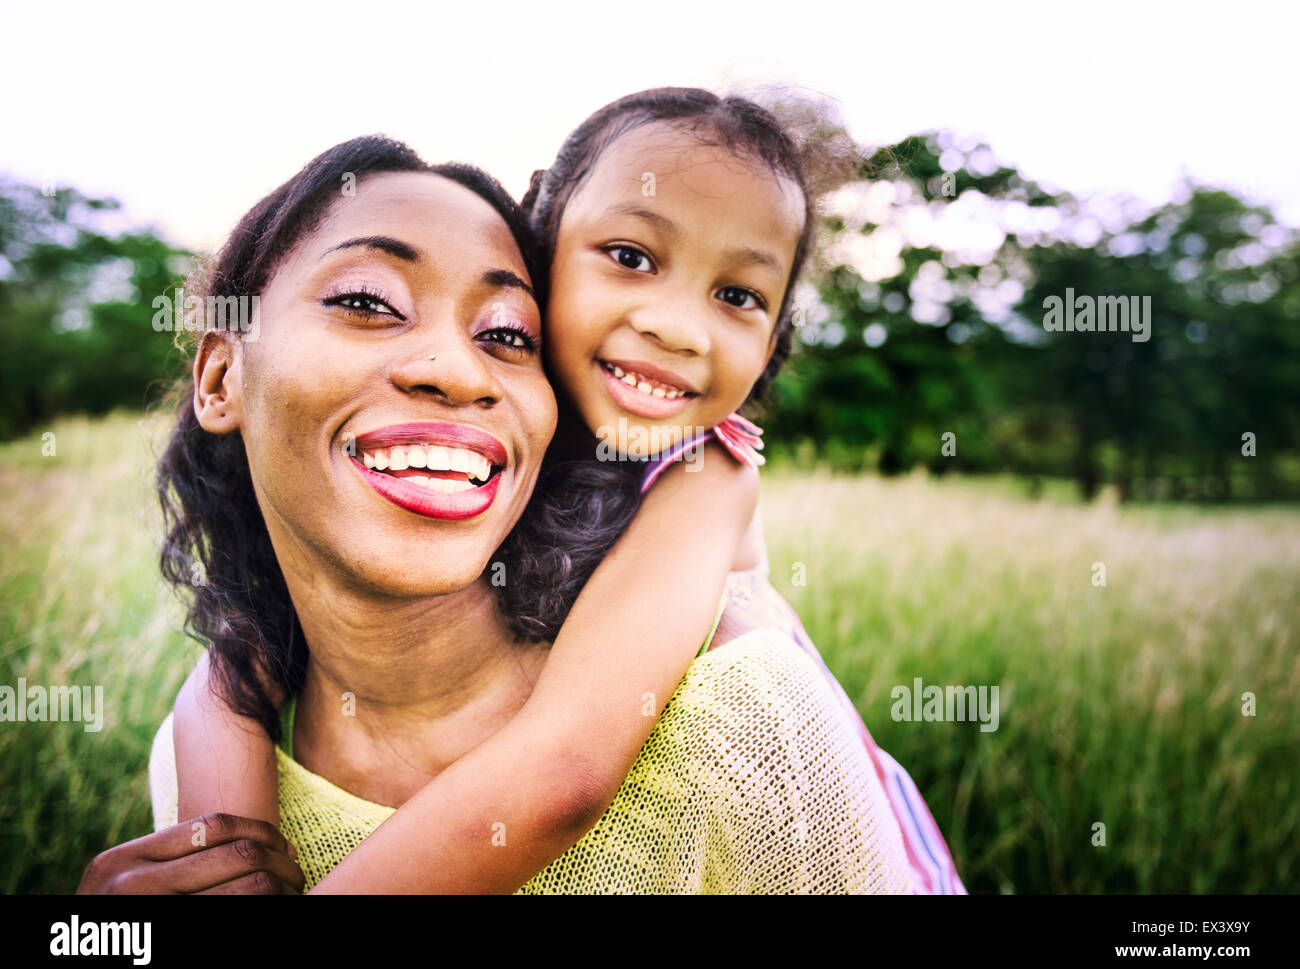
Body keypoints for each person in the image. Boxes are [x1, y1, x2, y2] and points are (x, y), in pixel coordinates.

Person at [166, 89, 965, 894]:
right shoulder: (503, 418)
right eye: (631, 256)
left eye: (739, 296)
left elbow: (567, 769)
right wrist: (220, 858)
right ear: (544, 251)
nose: (677, 327)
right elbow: (231, 668)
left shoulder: (707, 474)